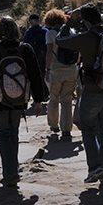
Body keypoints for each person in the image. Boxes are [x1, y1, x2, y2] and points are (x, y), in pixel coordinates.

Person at [56, 3, 103, 184]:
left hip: (92, 92)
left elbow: (60, 40)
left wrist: (70, 20)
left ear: (86, 21)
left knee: (88, 129)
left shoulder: (85, 38)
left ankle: (95, 168)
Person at [0, 17, 47, 188]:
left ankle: (10, 173)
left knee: (3, 135)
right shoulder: (25, 49)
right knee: (13, 134)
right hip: (19, 100)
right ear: (16, 30)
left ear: (0, 31)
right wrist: (38, 100)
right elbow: (35, 77)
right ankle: (13, 170)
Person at [43, 9, 79, 139]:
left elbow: (49, 52)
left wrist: (47, 70)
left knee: (53, 99)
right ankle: (66, 130)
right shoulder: (72, 32)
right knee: (67, 100)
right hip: (71, 70)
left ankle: (54, 125)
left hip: (55, 71)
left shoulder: (50, 34)